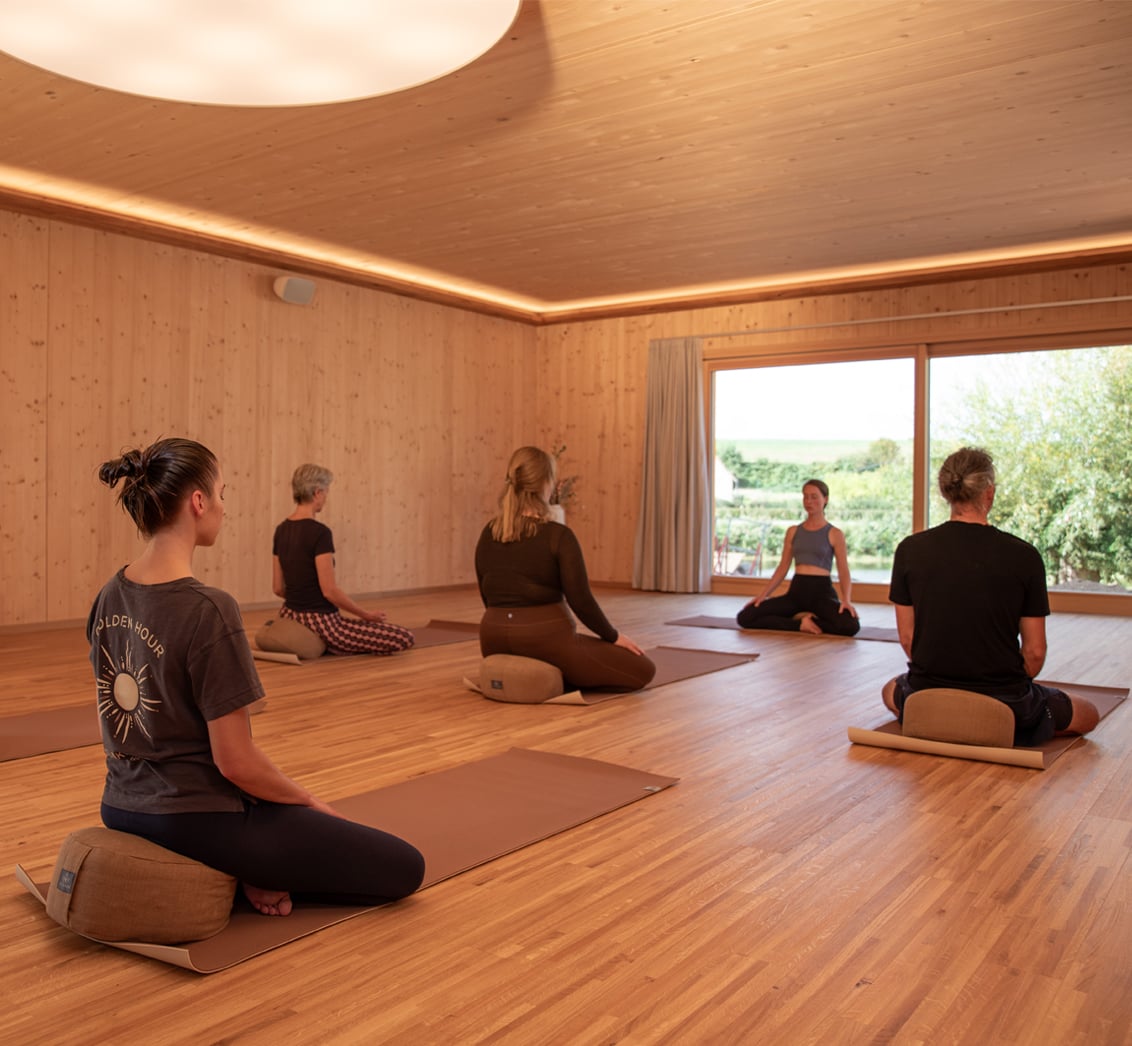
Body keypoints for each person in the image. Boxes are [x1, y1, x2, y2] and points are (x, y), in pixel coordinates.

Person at [90, 438, 425, 916]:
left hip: (120, 806)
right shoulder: (209, 609)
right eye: (222, 494)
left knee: (277, 818)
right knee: (404, 867)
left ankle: (251, 866)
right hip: (194, 818)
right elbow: (236, 764)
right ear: (199, 502)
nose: (224, 507)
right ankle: (250, 870)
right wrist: (308, 803)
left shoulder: (109, 594)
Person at [882, 446, 1099, 744]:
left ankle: (946, 719)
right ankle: (994, 723)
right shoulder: (1023, 555)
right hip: (1005, 700)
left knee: (890, 691)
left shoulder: (909, 549)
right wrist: (1009, 684)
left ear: (946, 492)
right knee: (1088, 713)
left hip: (928, 692)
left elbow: (908, 639)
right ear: (989, 493)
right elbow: (1035, 652)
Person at [475, 446, 656, 691]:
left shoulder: (489, 532)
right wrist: (613, 636)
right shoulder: (558, 536)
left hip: (492, 640)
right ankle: (560, 673)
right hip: (544, 640)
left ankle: (542, 675)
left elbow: (487, 595)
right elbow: (581, 600)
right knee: (643, 669)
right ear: (546, 484)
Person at [272, 463, 414, 655]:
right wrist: (366, 615)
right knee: (404, 637)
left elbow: (278, 588)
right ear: (317, 493)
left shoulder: (281, 530)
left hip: (289, 615)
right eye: (326, 492)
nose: (326, 498)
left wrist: (300, 600)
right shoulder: (319, 533)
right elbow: (330, 591)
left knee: (351, 625)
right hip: (321, 622)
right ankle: (329, 642)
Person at [736, 479, 860, 635]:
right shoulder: (793, 531)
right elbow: (783, 567)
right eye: (805, 497)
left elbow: (843, 570)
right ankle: (799, 624)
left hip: (822, 594)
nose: (809, 501)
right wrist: (763, 596)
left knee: (851, 626)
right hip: (796, 593)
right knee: (745, 617)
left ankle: (813, 621)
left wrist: (846, 600)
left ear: (825, 499)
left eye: (814, 497)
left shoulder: (835, 533)